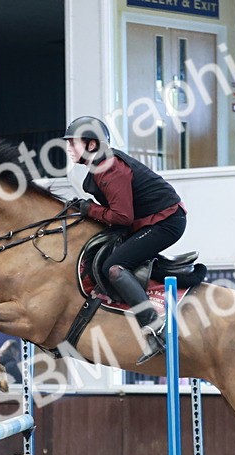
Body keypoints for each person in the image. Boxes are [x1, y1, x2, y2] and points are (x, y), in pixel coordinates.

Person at [64, 115, 186, 364]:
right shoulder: (99, 167)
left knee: (115, 267)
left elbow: (122, 216)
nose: (68, 148)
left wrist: (89, 209)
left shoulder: (110, 168)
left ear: (91, 144)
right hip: (150, 220)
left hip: (166, 221)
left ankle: (154, 328)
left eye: (73, 142)